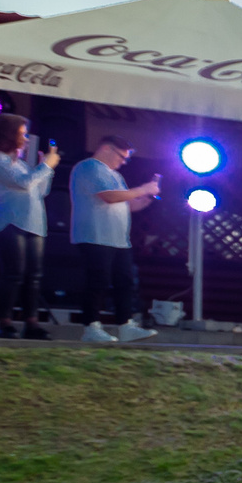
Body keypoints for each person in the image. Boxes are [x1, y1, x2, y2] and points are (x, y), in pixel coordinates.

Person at [69, 134, 159, 342]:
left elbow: (126, 203)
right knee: (97, 281)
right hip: (94, 235)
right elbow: (109, 196)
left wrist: (146, 198)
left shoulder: (115, 175)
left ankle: (125, 325)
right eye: (121, 156)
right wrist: (142, 189)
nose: (123, 162)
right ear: (107, 149)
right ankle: (91, 327)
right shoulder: (89, 167)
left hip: (117, 238)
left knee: (124, 282)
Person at [0, 113, 56, 339]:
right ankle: (4, 322)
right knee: (13, 273)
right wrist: (45, 166)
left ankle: (31, 323)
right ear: (7, 134)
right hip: (9, 221)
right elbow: (24, 183)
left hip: (33, 222)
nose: (25, 139)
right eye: (21, 134)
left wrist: (46, 169)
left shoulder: (20, 164)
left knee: (34, 275)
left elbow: (40, 190)